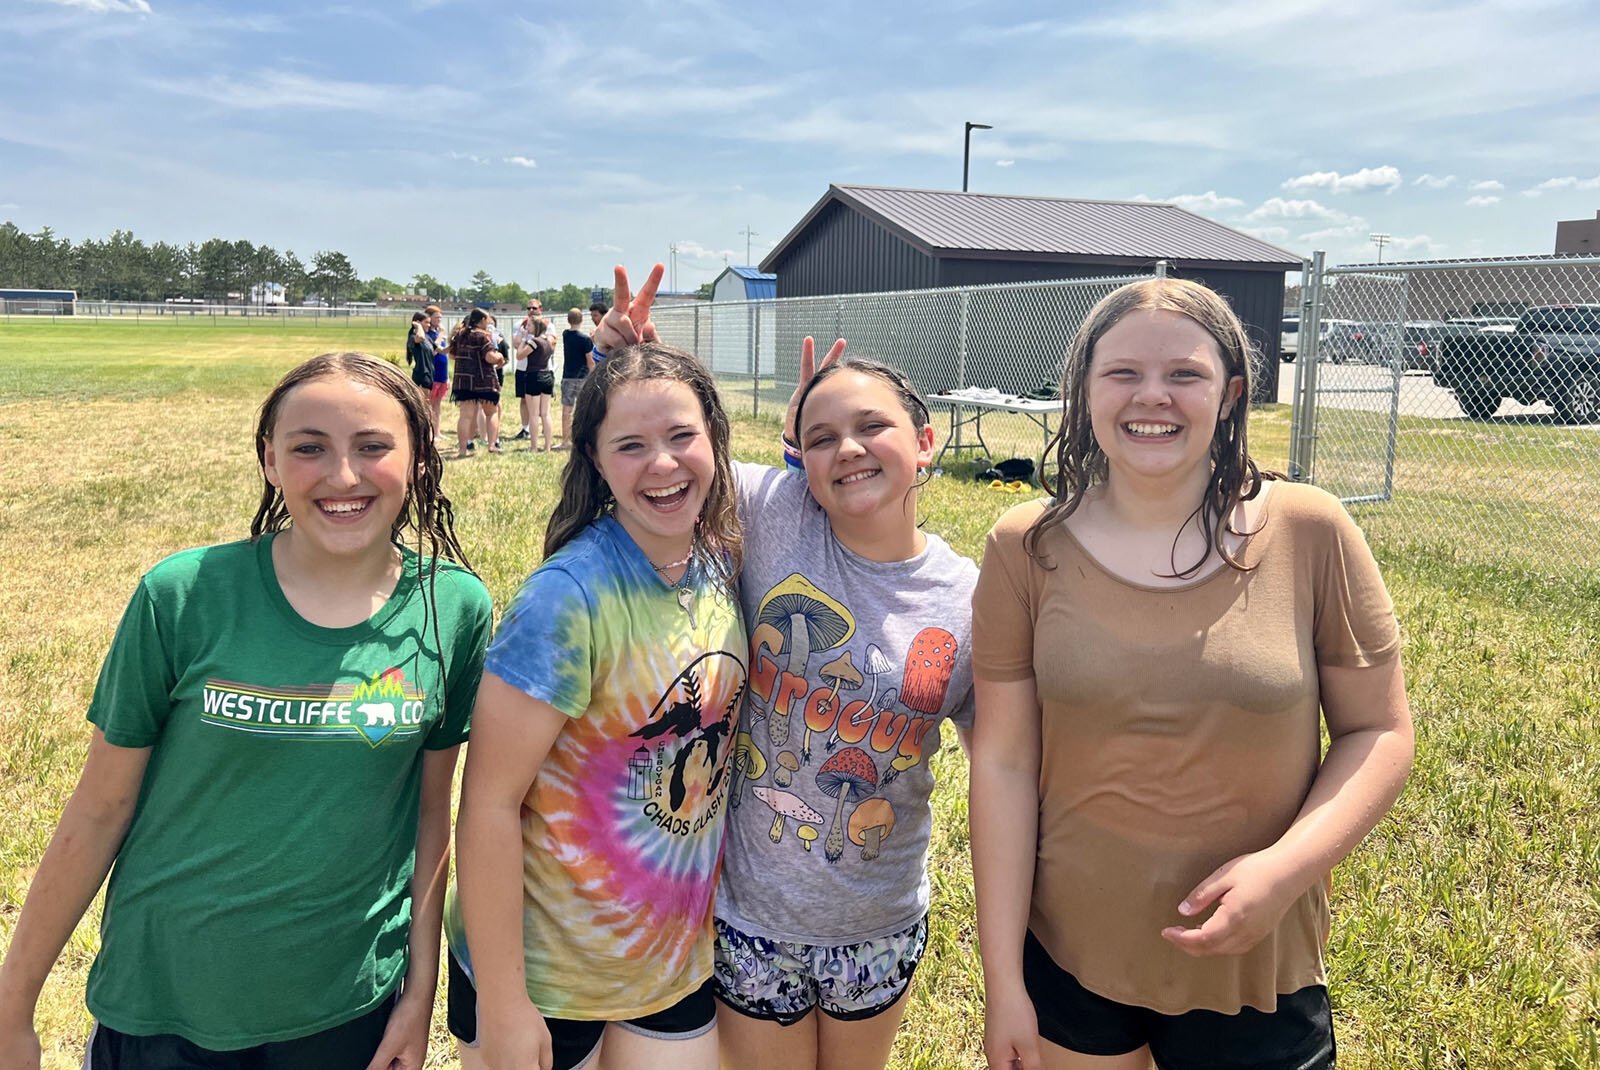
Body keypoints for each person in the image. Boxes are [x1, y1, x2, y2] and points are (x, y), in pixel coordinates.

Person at [0, 352, 492, 1070]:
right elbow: (98, 811)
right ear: (269, 460)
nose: (343, 476)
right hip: (163, 999)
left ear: (419, 459)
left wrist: (418, 999)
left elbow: (429, 818)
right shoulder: (182, 596)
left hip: (343, 1008)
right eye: (309, 448)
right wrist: (14, 1006)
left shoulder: (453, 608)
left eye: (373, 447)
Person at [969, 277, 1414, 1070]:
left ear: (1231, 391)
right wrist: (1004, 978)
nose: (1154, 397)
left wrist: (1284, 871)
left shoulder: (1311, 531)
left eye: (1185, 374)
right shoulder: (1023, 546)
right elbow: (1002, 763)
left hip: (1256, 962)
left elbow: (1378, 730)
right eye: (1123, 373)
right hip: (1071, 952)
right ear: (1081, 389)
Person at [599, 264, 978, 1070]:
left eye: (872, 426)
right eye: (819, 438)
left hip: (875, 919)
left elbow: (1007, 763)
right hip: (751, 910)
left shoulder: (968, 600)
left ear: (926, 439)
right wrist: (633, 369)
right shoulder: (771, 513)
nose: (847, 450)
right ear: (793, 455)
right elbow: (669, 462)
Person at [446, 273, 747, 1070]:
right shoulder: (566, 600)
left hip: (671, 966)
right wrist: (506, 1005)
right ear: (595, 460)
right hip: (544, 979)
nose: (663, 466)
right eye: (631, 445)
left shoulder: (723, 561)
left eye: (683, 437)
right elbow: (487, 805)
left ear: (715, 438)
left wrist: (635, 361)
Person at [450, 308, 504, 458]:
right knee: (491, 412)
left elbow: (452, 354)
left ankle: (462, 449)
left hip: (464, 380)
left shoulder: (460, 335)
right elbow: (490, 357)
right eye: (487, 319)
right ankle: (492, 445)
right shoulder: (483, 336)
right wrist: (499, 356)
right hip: (483, 380)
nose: (489, 322)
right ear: (481, 320)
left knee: (465, 416)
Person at [558, 307, 594, 450]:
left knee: (567, 409)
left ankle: (565, 440)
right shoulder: (585, 340)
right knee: (582, 410)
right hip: (582, 377)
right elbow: (590, 361)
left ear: (568, 320)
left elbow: (572, 333)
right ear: (582, 320)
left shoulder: (566, 335)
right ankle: (581, 439)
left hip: (568, 376)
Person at [523, 317, 556, 452]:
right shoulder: (548, 342)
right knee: (546, 413)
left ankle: (534, 447)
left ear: (536, 327)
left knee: (534, 414)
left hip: (534, 375)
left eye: (529, 325)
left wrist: (524, 340)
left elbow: (520, 355)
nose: (527, 327)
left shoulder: (534, 342)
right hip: (547, 375)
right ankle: (548, 446)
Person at [425, 305, 450, 434]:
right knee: (430, 404)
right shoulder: (427, 334)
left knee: (438, 405)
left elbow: (444, 353)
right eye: (436, 317)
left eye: (440, 317)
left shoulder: (438, 334)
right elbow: (434, 351)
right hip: (432, 374)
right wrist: (441, 334)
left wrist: (448, 377)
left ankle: (437, 431)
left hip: (442, 373)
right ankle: (430, 432)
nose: (439, 319)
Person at [407, 311, 435, 407]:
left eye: (429, 322)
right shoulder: (413, 337)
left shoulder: (428, 338)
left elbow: (441, 350)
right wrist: (418, 326)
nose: (429, 325)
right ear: (418, 322)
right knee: (423, 404)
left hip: (429, 373)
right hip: (422, 374)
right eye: (426, 322)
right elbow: (420, 338)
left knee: (427, 403)